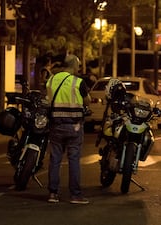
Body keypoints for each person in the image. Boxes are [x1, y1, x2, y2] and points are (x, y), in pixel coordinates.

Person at [45, 54, 91, 204]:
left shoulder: (51, 79)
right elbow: (87, 100)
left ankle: (53, 193)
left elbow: (48, 98)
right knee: (74, 160)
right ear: (74, 65)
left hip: (56, 125)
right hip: (74, 126)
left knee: (55, 159)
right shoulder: (78, 82)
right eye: (78, 65)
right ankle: (75, 195)